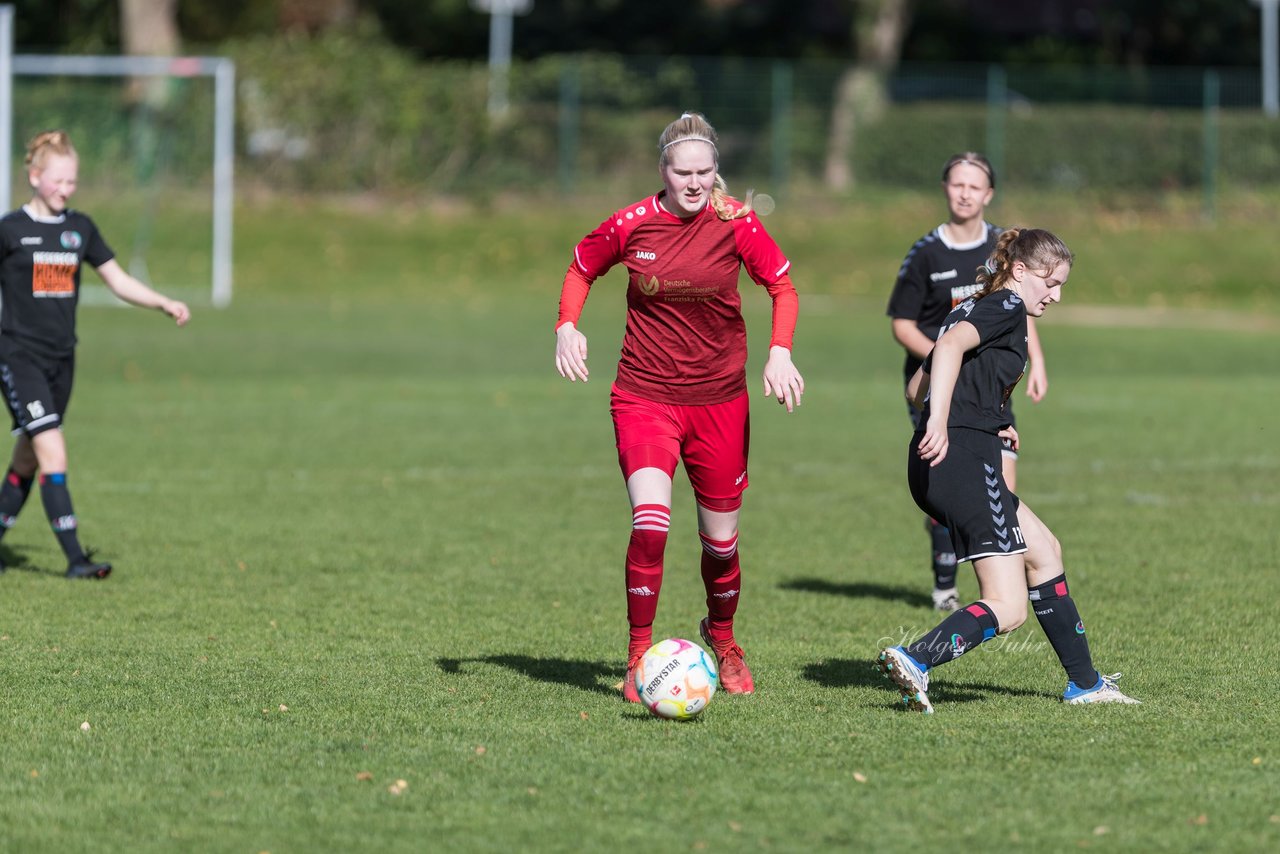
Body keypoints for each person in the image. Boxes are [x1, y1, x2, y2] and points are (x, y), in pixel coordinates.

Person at [554, 112, 804, 702]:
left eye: (705, 171)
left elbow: (782, 287)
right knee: (651, 525)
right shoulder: (631, 224)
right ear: (662, 170)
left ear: (717, 171)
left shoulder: (737, 222)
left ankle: (723, 638)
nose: (695, 182)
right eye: (683, 171)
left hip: (720, 402)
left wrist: (780, 353)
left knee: (720, 545)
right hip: (644, 397)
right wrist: (567, 326)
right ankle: (639, 654)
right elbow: (580, 269)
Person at [876, 227, 1138, 712]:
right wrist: (945, 423)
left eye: (1061, 285)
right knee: (1009, 606)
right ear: (1019, 271)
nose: (1055, 295)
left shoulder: (973, 304)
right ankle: (915, 659)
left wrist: (985, 420)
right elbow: (949, 352)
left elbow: (918, 384)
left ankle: (1086, 684)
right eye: (1049, 281)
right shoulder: (1009, 306)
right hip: (961, 461)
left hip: (948, 456)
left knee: (1044, 551)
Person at [0, 130, 190, 579]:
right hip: (17, 357)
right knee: (53, 453)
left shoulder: (79, 229)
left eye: (73, 182)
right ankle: (76, 560)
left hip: (62, 361)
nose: (66, 189)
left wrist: (162, 301)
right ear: (34, 176)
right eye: (58, 181)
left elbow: (118, 280)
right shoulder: (9, 230)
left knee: (27, 460)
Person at [885, 152, 1048, 612]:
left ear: (988, 194)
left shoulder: (1004, 247)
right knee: (953, 480)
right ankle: (948, 586)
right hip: (936, 387)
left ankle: (999, 590)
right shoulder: (925, 254)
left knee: (1001, 477)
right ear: (945, 188)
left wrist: (1036, 361)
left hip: (990, 386)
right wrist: (945, 360)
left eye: (974, 186)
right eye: (957, 184)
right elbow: (903, 324)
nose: (965, 193)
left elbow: (1018, 312)